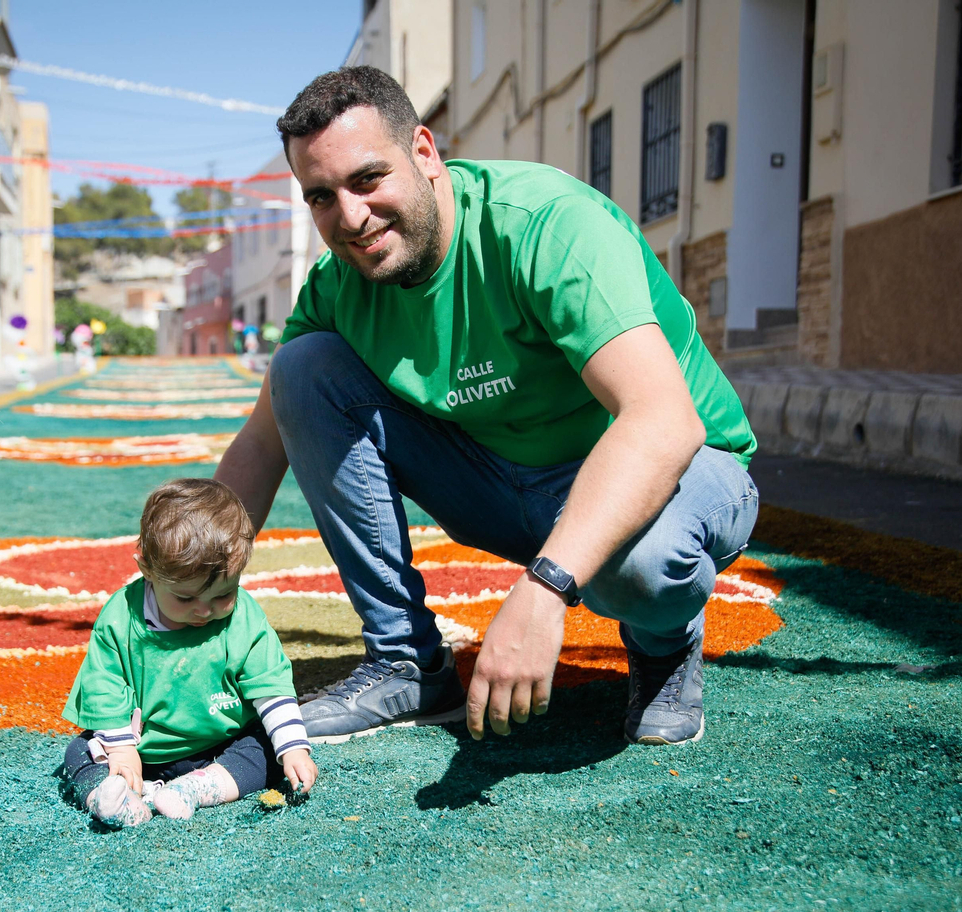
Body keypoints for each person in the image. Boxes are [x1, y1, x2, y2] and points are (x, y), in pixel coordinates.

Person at [214, 67, 759, 749]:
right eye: (322, 197)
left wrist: (545, 587)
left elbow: (663, 421)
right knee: (302, 369)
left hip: (681, 472)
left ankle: (664, 641)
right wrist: (181, 587)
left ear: (424, 152)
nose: (350, 218)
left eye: (368, 179)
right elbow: (261, 445)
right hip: (505, 483)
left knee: (642, 567)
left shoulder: (545, 226)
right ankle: (407, 664)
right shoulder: (338, 283)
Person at [59, 479, 318, 827]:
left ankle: (196, 788)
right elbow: (103, 685)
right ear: (146, 569)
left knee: (268, 746)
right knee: (79, 751)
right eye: (185, 598)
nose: (204, 610)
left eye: (223, 595)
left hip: (220, 746)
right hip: (140, 750)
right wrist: (121, 749)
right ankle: (112, 799)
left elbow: (271, 686)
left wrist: (293, 748)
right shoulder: (121, 617)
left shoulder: (244, 619)